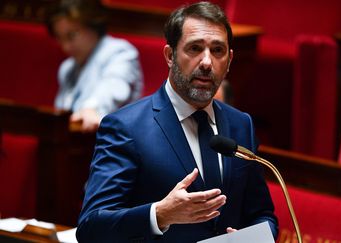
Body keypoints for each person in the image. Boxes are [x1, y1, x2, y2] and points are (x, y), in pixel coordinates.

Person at [76, 2, 278, 242]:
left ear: (230, 59)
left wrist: (251, 239)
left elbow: (263, 214)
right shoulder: (126, 127)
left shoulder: (241, 125)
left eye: (217, 51)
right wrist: (159, 215)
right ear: (170, 56)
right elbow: (91, 227)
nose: (206, 62)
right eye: (194, 48)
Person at [45, 0, 143, 132]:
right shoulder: (67, 68)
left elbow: (114, 87)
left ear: (93, 25)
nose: (65, 47)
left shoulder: (120, 52)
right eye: (60, 38)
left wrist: (92, 109)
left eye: (71, 35)